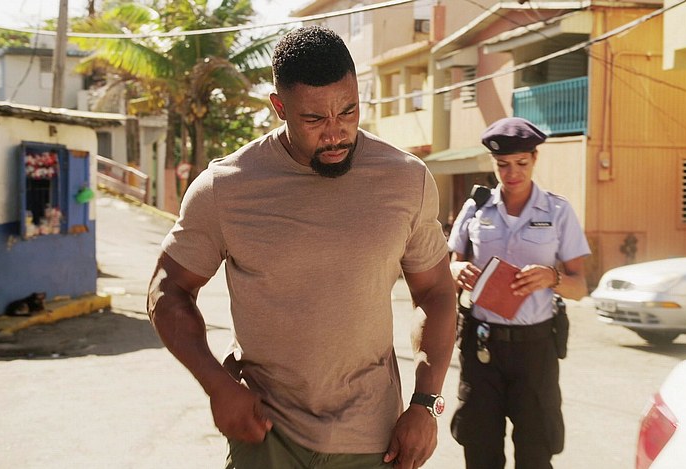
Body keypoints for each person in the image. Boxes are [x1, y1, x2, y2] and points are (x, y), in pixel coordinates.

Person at [146, 25, 456, 469]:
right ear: (279, 107)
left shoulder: (405, 179)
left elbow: (436, 292)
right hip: (266, 436)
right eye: (313, 119)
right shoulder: (226, 187)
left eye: (348, 111)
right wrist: (216, 384)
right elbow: (167, 289)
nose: (335, 133)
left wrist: (426, 404)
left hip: (372, 440)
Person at [447, 117, 591, 469]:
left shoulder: (558, 211)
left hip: (535, 351)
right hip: (482, 347)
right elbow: (449, 269)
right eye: (502, 165)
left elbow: (580, 287)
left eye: (521, 163)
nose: (512, 173)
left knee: (535, 454)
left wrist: (550, 277)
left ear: (535, 158)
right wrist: (454, 271)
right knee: (480, 452)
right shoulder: (475, 208)